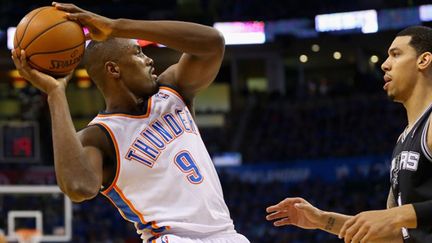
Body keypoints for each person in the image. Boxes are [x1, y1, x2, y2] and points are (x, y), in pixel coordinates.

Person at [11, 2, 249, 243]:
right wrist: (55, 93)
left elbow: (213, 43)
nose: (149, 61)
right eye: (138, 53)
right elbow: (78, 186)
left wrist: (117, 26)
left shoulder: (173, 89)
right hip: (171, 238)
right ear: (114, 69)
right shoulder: (99, 136)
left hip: (228, 234)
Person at [266, 25, 432, 243]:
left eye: (396, 54)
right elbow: (394, 234)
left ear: (424, 60)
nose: (384, 64)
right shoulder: (403, 139)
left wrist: (395, 215)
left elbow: (392, 219)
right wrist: (322, 220)